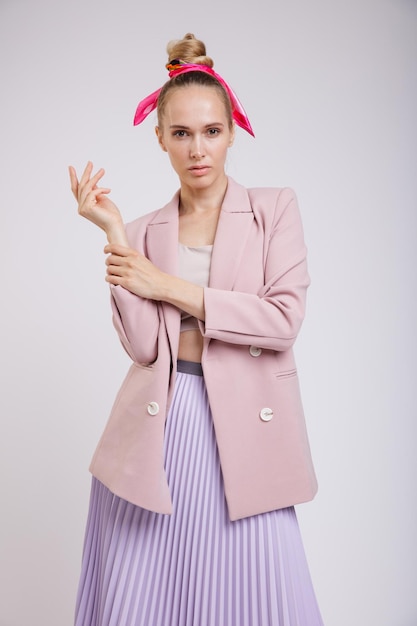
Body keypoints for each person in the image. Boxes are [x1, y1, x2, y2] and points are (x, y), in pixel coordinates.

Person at [69, 32, 323, 626]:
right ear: (160, 139)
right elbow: (143, 347)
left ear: (233, 129)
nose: (197, 148)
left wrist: (170, 287)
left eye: (211, 131)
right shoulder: (143, 230)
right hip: (162, 428)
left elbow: (283, 320)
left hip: (244, 428)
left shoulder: (273, 208)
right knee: (148, 600)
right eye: (180, 133)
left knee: (261, 590)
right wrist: (114, 235)